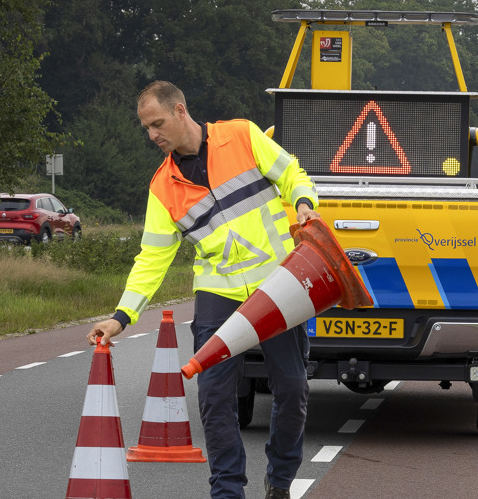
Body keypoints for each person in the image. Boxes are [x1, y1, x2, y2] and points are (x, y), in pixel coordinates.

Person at [86, 81, 320, 499]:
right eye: (146, 128)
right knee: (214, 396)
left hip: (277, 282)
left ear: (180, 110)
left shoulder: (243, 135)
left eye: (157, 123)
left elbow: (292, 175)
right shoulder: (163, 187)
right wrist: (122, 316)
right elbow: (152, 258)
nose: (152, 135)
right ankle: (227, 491)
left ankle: (280, 480)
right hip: (219, 290)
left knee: (292, 387)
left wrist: (303, 202)